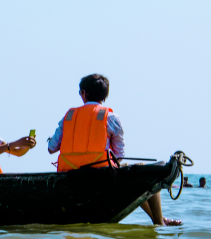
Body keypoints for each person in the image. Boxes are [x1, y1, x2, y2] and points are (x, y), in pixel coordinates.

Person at [47, 74, 181, 226]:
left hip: (69, 175)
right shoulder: (111, 118)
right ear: (104, 96)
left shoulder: (68, 117)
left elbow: (51, 148)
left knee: (135, 175)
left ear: (84, 93)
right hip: (101, 174)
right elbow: (119, 155)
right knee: (144, 172)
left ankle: (160, 220)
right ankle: (159, 222)